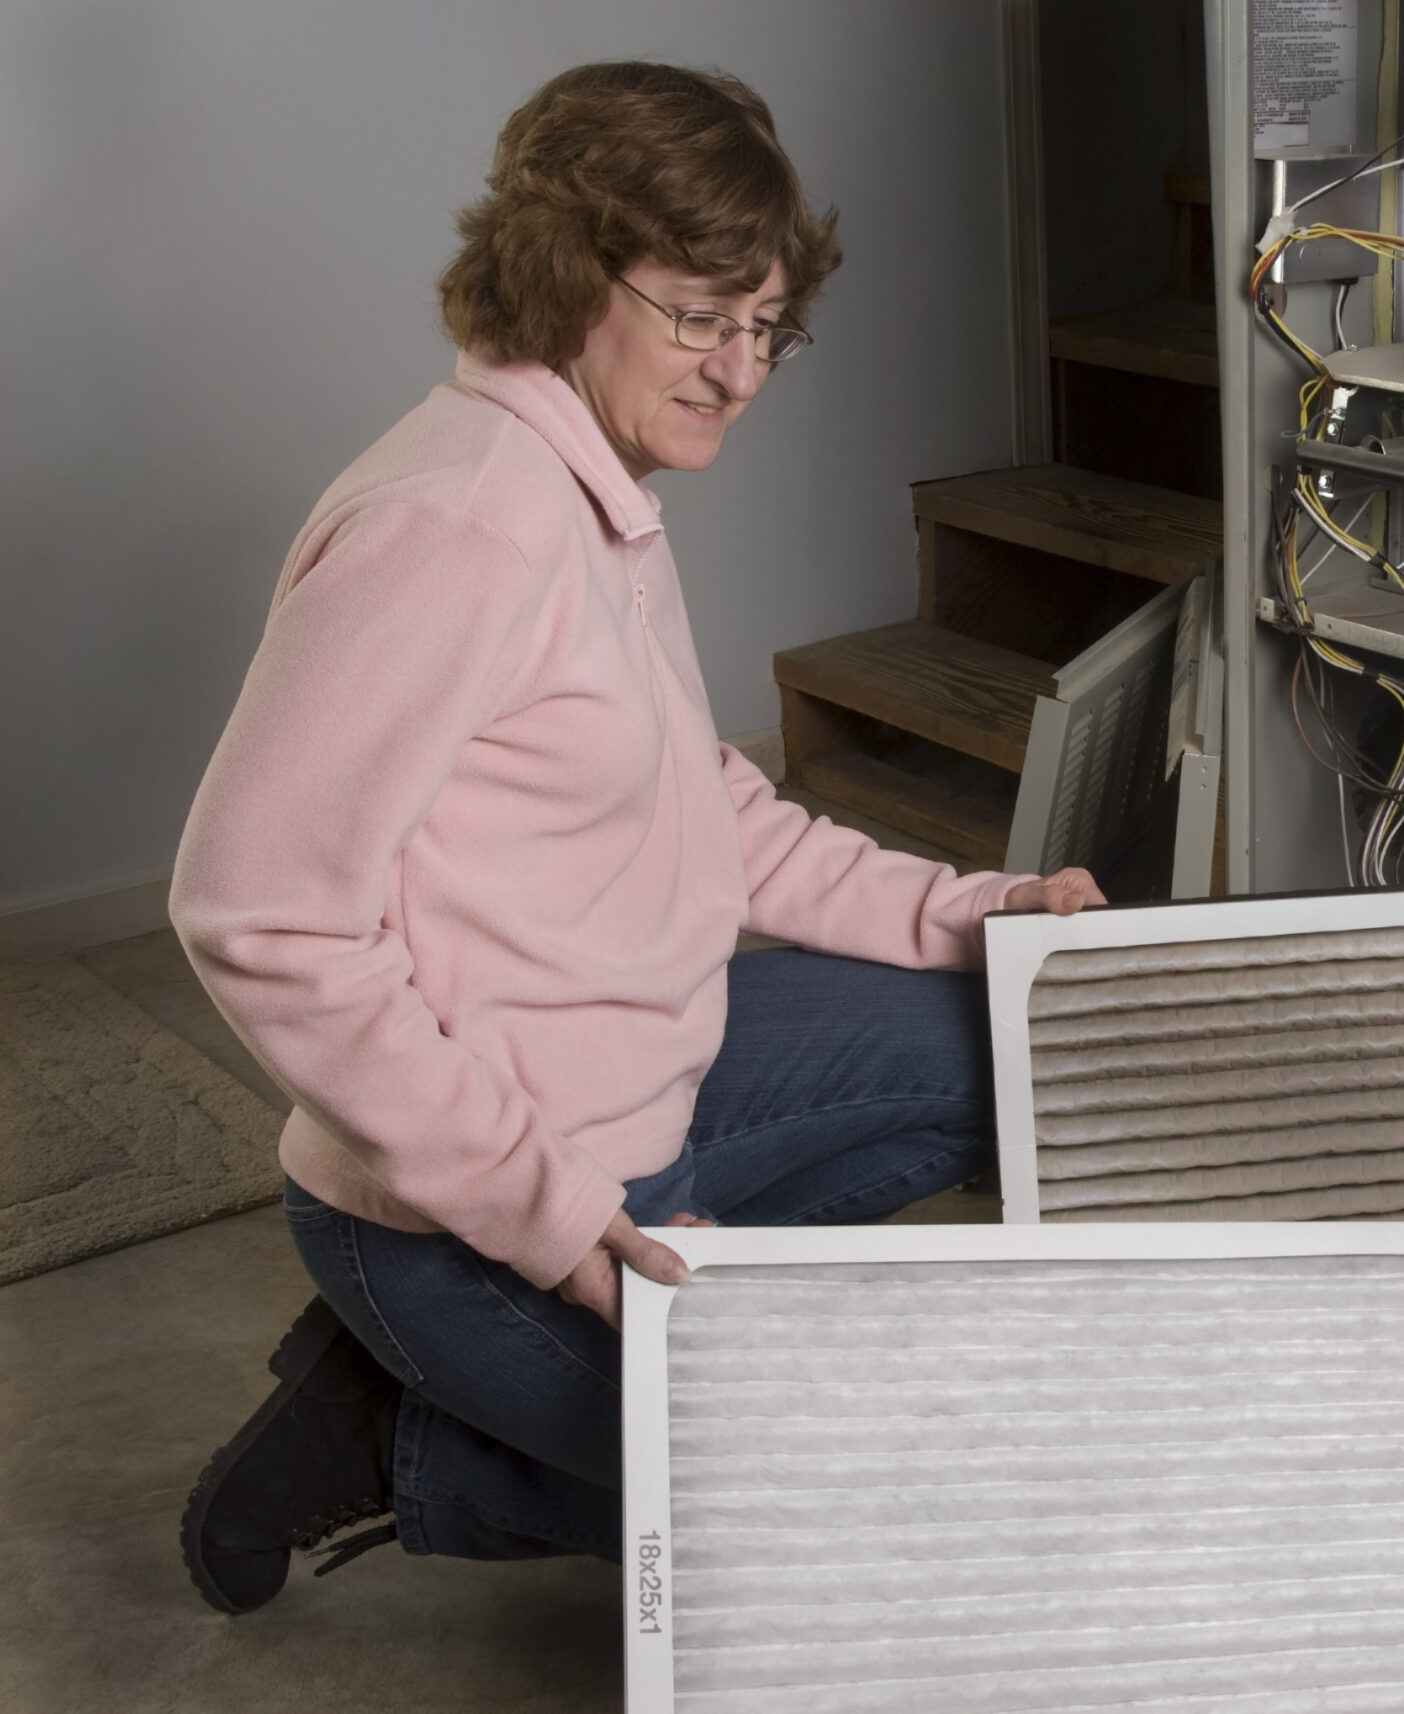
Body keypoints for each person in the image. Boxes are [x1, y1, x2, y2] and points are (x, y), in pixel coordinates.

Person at [168, 61, 1102, 1614]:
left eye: (766, 327)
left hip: (652, 1090)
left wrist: (984, 911)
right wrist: (547, 1216)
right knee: (858, 1547)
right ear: (565, 272)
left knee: (1000, 1035)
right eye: (699, 315)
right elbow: (257, 912)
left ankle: (645, 1337)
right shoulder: (458, 521)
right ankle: (406, 1439)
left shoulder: (591, 487)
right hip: (486, 1206)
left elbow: (720, 815)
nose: (741, 370)